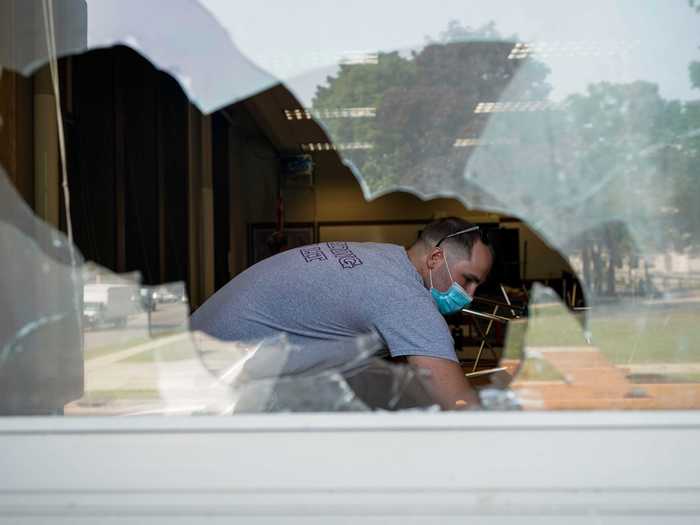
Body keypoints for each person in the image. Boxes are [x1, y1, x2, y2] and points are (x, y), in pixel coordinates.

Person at [190, 217, 493, 411]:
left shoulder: (381, 258)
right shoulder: (403, 295)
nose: (469, 295)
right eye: (468, 279)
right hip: (204, 388)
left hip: (191, 359)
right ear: (436, 258)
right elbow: (460, 406)